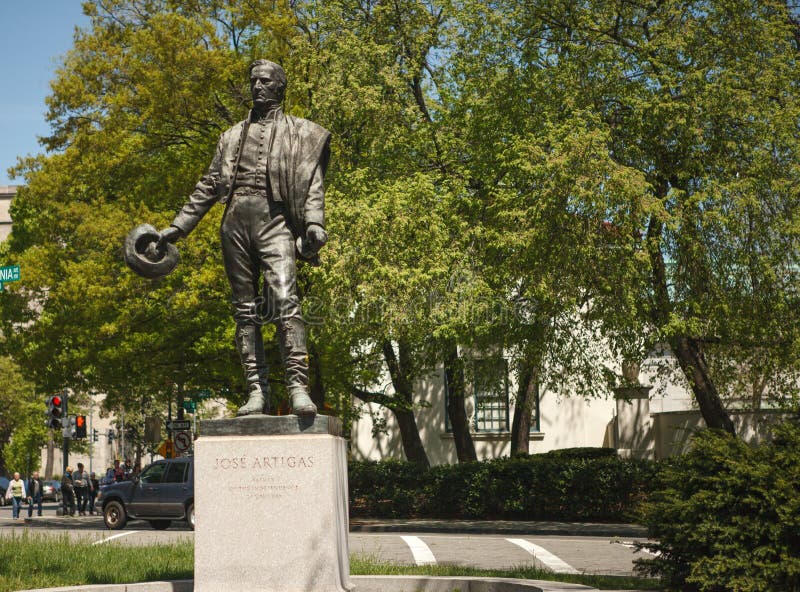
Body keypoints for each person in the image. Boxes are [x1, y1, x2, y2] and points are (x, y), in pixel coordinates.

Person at [157, 59, 331, 418]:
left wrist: (314, 222)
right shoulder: (230, 136)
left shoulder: (301, 133)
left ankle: (298, 387)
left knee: (286, 301)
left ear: (280, 88)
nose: (257, 87)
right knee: (244, 312)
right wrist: (177, 228)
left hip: (275, 221)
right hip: (234, 221)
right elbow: (207, 186)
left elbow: (312, 182)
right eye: (253, 81)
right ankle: (256, 391)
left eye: (265, 81)